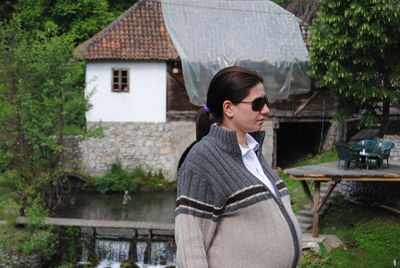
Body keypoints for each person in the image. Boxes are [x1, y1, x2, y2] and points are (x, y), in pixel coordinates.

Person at [175, 66, 301, 268]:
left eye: (265, 101)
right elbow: (190, 248)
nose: (266, 110)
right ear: (229, 108)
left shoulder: (253, 152)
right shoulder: (202, 160)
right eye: (257, 103)